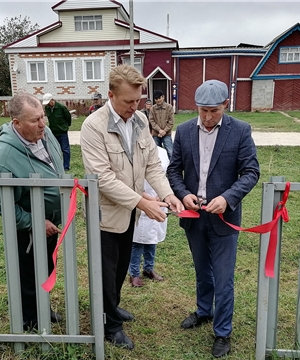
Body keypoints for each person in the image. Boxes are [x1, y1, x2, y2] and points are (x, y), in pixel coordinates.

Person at [80, 64, 184, 350]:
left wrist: (168, 194)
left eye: (138, 100)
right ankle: (110, 326)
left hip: (130, 213)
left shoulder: (139, 120)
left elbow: (152, 164)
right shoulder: (93, 126)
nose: (134, 106)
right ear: (111, 95)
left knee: (121, 267)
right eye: (128, 101)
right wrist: (142, 201)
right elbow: (102, 178)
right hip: (105, 216)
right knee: (106, 272)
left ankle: (112, 308)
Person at [166, 80, 260, 358]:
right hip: (194, 216)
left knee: (223, 277)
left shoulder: (240, 130)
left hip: (224, 218)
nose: (207, 118)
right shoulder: (183, 131)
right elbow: (174, 170)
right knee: (201, 269)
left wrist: (228, 198)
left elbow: (251, 172)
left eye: (214, 111)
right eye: (203, 111)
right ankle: (204, 311)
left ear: (225, 106)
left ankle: (222, 332)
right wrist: (183, 194)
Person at [0, 92, 64, 331]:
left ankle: (42, 308)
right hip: (30, 229)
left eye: (43, 117)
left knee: (46, 268)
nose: (43, 124)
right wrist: (33, 222)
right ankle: (31, 322)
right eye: (35, 120)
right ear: (17, 124)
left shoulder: (46, 134)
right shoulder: (5, 157)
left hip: (51, 224)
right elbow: (0, 202)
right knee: (30, 274)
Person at [128, 146, 169, 287]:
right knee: (138, 241)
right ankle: (134, 273)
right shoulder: (132, 151)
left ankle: (148, 268)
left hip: (159, 200)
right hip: (140, 200)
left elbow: (166, 175)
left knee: (153, 239)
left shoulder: (162, 152)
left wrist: (162, 194)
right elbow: (130, 183)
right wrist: (148, 200)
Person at [42, 93, 72, 171]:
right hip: (53, 132)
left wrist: (65, 127)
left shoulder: (61, 107)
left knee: (65, 149)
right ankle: (55, 165)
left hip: (62, 132)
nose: (48, 104)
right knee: (53, 149)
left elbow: (68, 117)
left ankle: (66, 166)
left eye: (49, 102)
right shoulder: (47, 108)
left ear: (52, 100)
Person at [149, 90, 174, 160]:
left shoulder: (169, 107)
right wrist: (159, 130)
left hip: (166, 134)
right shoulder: (152, 109)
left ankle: (172, 169)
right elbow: (151, 121)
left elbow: (171, 121)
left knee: (170, 152)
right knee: (156, 152)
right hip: (156, 134)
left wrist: (164, 131)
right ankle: (159, 168)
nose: (158, 100)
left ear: (163, 97)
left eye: (159, 98)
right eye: (156, 99)